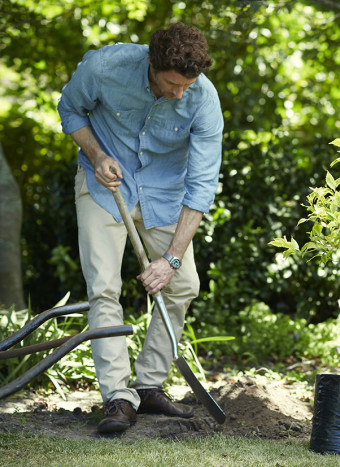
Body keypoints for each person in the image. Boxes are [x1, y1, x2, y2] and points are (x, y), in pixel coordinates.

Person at [57, 23, 223, 434]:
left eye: (187, 85)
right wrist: (95, 154)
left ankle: (148, 386)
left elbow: (201, 187)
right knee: (104, 288)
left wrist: (170, 259)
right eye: (171, 84)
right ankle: (117, 396)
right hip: (104, 187)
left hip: (165, 196)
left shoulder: (203, 99)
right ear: (152, 63)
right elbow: (70, 109)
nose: (179, 93)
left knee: (183, 284)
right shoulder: (104, 67)